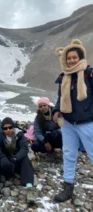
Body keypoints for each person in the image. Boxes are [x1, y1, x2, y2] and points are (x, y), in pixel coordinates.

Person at [53, 39, 93, 203]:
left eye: (74, 57)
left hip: (87, 122)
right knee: (69, 154)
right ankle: (68, 186)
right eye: (68, 58)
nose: (71, 60)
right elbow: (60, 98)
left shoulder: (89, 74)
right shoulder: (64, 77)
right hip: (68, 123)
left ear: (80, 56)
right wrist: (56, 110)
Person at [0, 117, 36, 203]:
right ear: (3, 129)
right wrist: (1, 156)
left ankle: (29, 187)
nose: (8, 130)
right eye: (5, 128)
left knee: (25, 159)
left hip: (16, 162)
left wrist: (16, 158)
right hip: (5, 162)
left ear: (13, 127)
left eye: (10, 127)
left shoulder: (19, 135)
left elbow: (24, 149)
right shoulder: (1, 136)